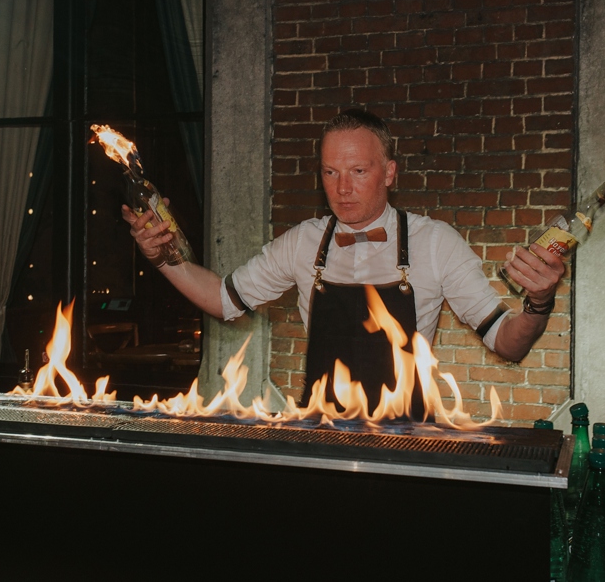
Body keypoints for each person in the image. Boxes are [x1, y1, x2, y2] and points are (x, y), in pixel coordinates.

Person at [123, 108, 564, 412]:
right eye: (330, 172)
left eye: (358, 171)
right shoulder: (303, 243)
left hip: (405, 440)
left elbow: (508, 343)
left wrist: (539, 302)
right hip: (320, 436)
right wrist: (163, 260)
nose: (342, 188)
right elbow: (223, 300)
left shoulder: (435, 243)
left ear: (389, 173)